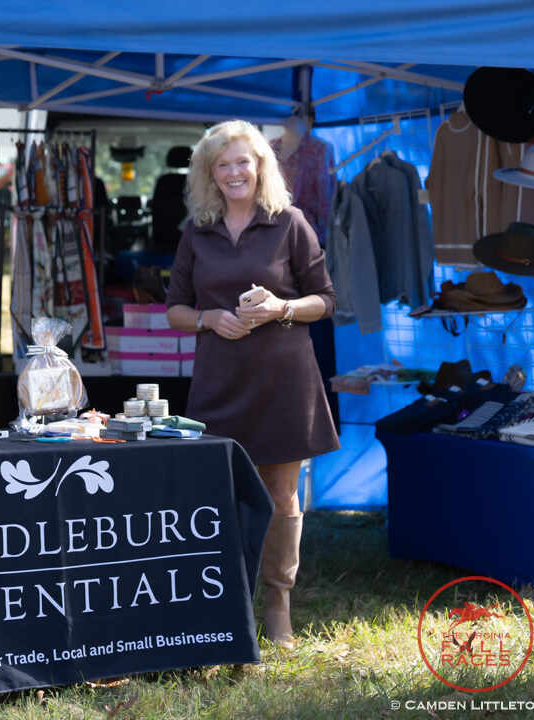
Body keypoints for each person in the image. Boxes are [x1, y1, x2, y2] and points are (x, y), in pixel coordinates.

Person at [165, 120, 339, 649]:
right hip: (219, 380)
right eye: (223, 164)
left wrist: (281, 307)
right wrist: (209, 320)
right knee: (221, 492)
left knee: (282, 493)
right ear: (209, 174)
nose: (235, 171)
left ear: (261, 165)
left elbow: (325, 300)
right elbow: (174, 308)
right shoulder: (197, 230)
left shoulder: (289, 222)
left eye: (244, 161)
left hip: (285, 378)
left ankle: (278, 605)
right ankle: (229, 604)